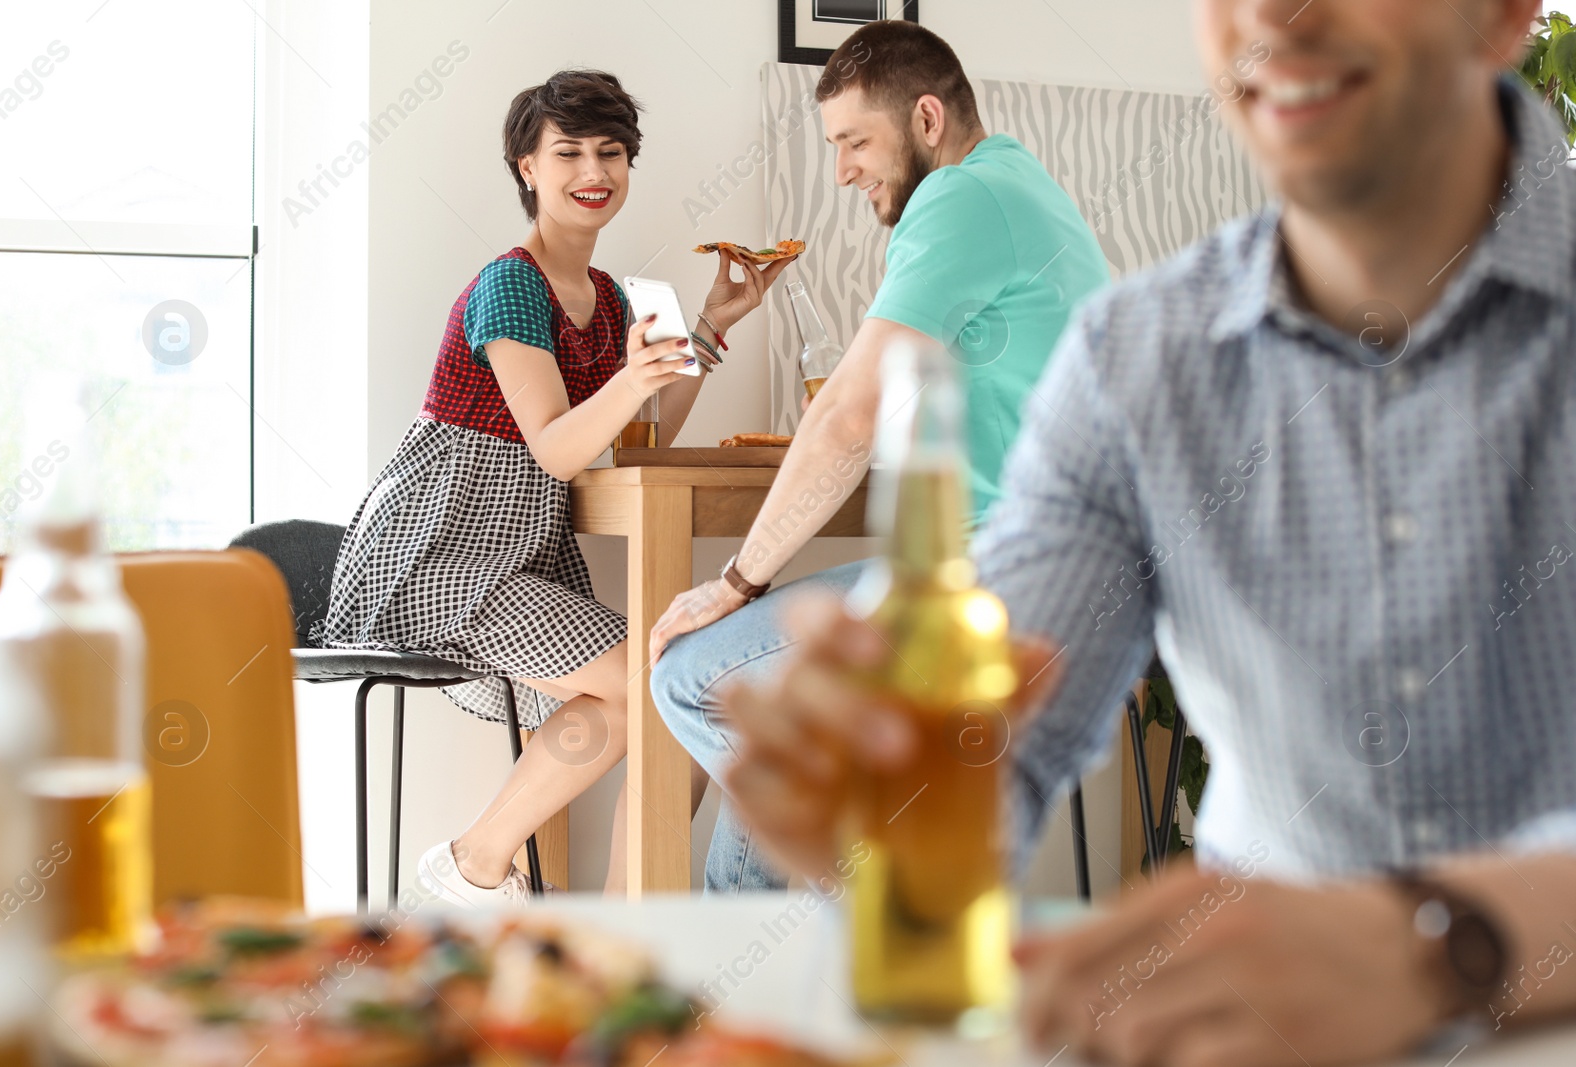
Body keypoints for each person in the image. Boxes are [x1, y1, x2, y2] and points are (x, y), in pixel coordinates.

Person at [720, 0, 1576, 1062]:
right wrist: (893, 805)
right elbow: (995, 749)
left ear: (1502, 15)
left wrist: (1441, 945)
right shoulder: (1132, 360)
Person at [647, 20, 1111, 892]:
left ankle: (869, 884)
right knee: (793, 717)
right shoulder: (1020, 185)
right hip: (1050, 572)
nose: (842, 170)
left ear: (927, 118)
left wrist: (736, 582)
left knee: (687, 675)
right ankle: (789, 947)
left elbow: (849, 418)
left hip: (997, 581)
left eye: (855, 141)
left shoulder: (961, 198)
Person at [315, 69, 789, 904]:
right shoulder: (510, 284)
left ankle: (496, 872)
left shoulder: (608, 299)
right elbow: (559, 450)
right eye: (567, 151)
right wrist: (634, 380)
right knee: (670, 675)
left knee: (675, 683)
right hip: (436, 551)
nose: (592, 169)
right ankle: (541, 889)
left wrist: (711, 326)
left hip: (513, 554)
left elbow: (642, 438)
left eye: (610, 151)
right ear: (527, 168)